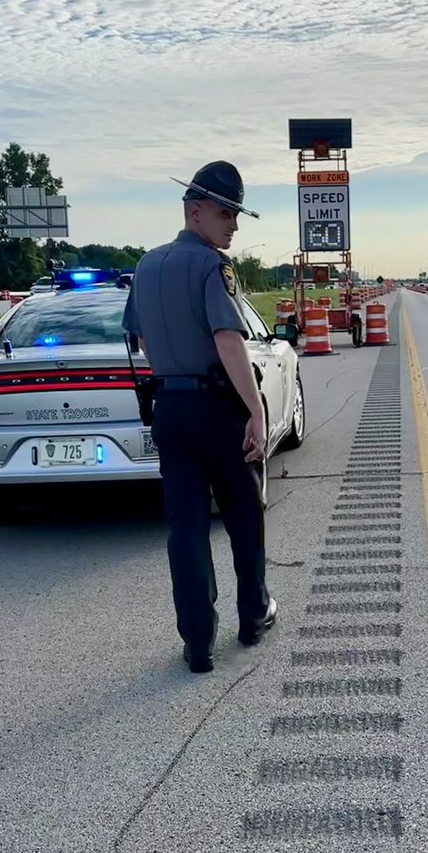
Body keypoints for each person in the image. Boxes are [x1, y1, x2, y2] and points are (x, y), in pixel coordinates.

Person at [121, 162, 277, 674]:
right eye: (225, 212)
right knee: (243, 517)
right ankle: (253, 615)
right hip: (217, 409)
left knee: (184, 528)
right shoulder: (213, 267)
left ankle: (197, 642)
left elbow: (142, 340)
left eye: (235, 214)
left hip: (171, 409)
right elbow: (228, 340)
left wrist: (174, 368)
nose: (233, 224)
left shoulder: (145, 266)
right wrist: (254, 410)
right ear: (195, 211)